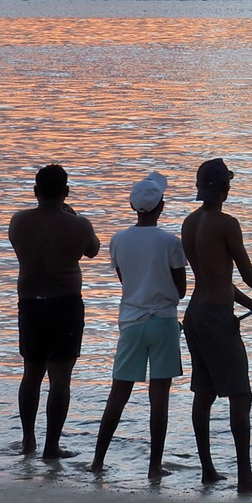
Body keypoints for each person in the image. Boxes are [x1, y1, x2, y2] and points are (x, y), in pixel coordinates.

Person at [179, 158, 252, 493]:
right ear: (225, 187)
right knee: (240, 396)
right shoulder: (227, 224)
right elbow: (248, 275)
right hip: (215, 319)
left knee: (204, 393)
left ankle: (208, 471)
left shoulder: (188, 223)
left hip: (195, 316)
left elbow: (218, 279)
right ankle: (245, 478)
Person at [90, 171, 187, 479]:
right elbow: (181, 290)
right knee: (159, 398)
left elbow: (126, 282)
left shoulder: (118, 240)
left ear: (133, 207)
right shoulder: (171, 242)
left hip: (131, 323)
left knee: (118, 394)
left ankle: (97, 462)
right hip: (164, 323)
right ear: (161, 206)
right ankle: (154, 466)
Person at [7, 163, 99, 460]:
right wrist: (71, 214)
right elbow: (93, 250)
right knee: (60, 378)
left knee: (31, 373)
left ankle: (27, 440)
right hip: (65, 303)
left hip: (31, 302)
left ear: (35, 191)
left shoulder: (19, 222)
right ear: (66, 192)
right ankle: (51, 446)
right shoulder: (78, 225)